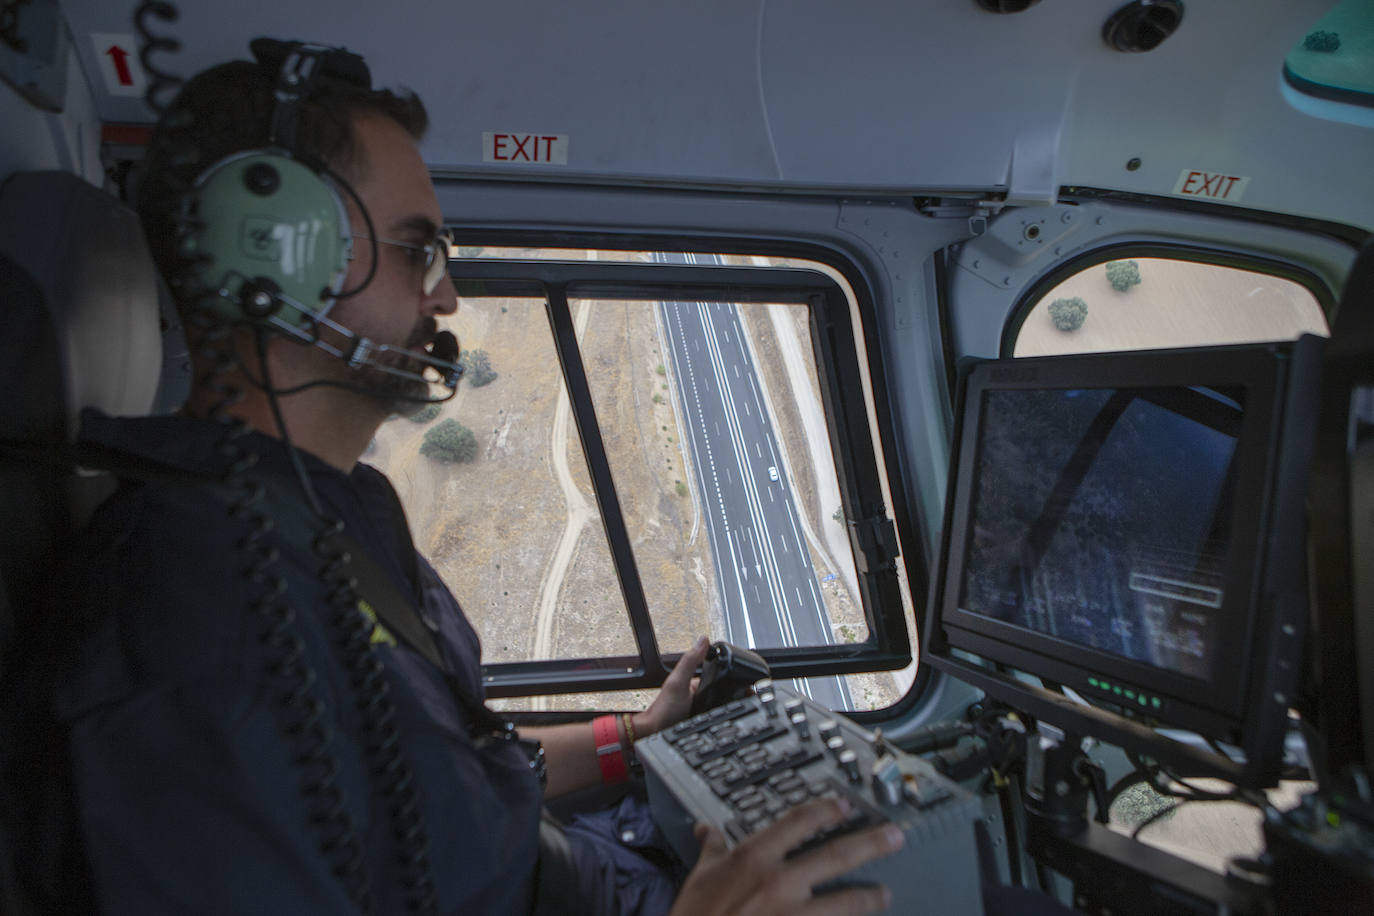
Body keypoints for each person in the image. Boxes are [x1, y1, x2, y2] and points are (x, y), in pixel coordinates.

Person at [30, 40, 904, 915]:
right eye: (417, 253)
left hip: (574, 865)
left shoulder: (328, 506)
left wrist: (638, 737)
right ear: (273, 257)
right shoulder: (185, 624)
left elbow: (446, 770)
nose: (444, 300)